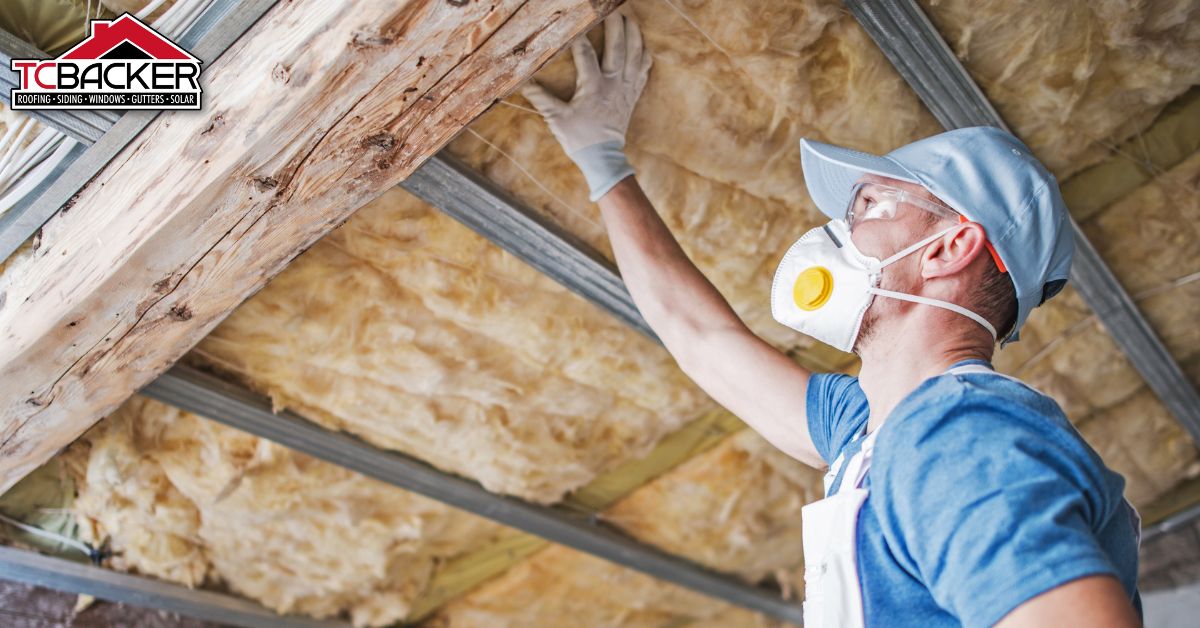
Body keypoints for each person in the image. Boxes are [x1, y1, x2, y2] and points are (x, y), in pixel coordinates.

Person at [521, 12, 1144, 628]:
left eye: (872, 205)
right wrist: (603, 162)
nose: (839, 230)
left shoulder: (956, 433)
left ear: (948, 249)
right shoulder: (869, 434)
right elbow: (701, 337)